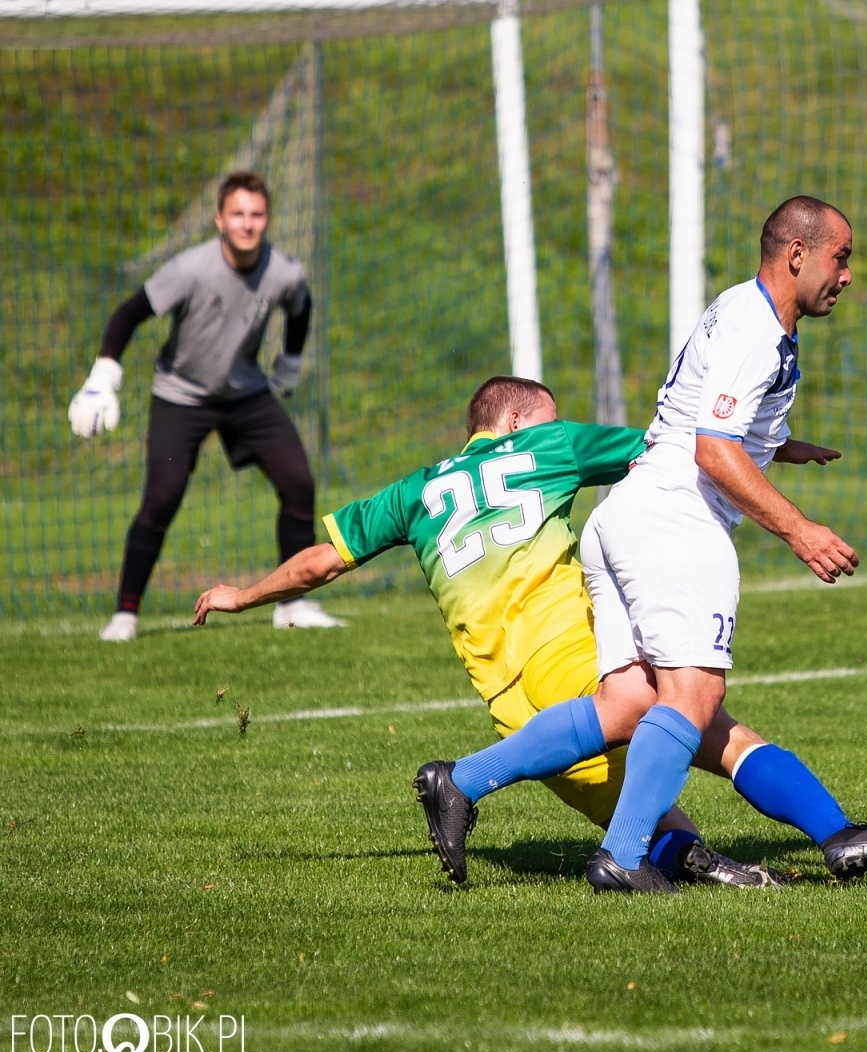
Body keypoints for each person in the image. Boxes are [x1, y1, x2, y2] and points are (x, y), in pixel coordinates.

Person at [193, 376, 781, 889]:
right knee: (696, 712)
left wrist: (242, 596)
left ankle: (705, 864)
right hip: (569, 660)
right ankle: (823, 827)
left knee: (645, 821)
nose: (555, 425)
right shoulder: (547, 446)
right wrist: (769, 447)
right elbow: (674, 451)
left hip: (512, 711)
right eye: (548, 416)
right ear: (516, 421)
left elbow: (320, 563)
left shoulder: (412, 493)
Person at [577, 196, 867, 893]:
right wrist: (800, 530)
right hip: (676, 519)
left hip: (627, 512)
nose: (847, 275)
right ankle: (622, 855)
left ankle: (462, 781)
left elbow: (708, 419)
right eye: (841, 257)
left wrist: (779, 446)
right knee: (694, 698)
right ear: (797, 254)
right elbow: (713, 449)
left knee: (631, 704)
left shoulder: (744, 310)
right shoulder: (756, 329)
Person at [70, 170, 342, 642]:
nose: (247, 223)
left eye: (256, 214)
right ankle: (125, 615)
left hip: (246, 395)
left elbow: (301, 308)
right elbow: (129, 314)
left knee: (298, 482)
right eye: (237, 213)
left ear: (267, 219)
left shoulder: (284, 271)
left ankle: (293, 606)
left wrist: (291, 363)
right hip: (180, 397)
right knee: (162, 497)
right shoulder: (190, 269)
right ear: (219, 219)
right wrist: (103, 376)